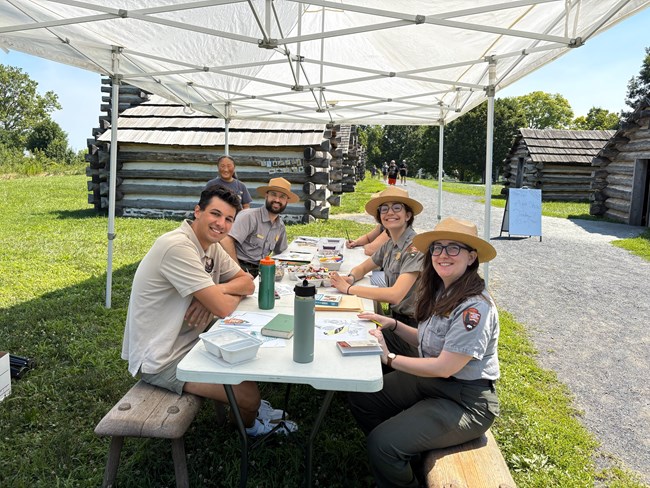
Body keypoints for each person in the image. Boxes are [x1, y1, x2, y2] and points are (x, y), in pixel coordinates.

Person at [121, 186, 297, 436]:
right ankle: (250, 428)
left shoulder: (210, 246)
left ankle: (254, 410)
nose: (221, 224)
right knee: (249, 396)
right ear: (197, 211)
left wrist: (213, 292)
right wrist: (216, 297)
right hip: (162, 358)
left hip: (191, 341)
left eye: (228, 219)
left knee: (252, 356)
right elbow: (224, 308)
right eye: (215, 214)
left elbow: (247, 281)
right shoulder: (177, 247)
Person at [348, 217, 500, 488]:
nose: (443, 254)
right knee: (363, 397)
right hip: (436, 382)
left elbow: (445, 366)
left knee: (382, 444)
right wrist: (392, 324)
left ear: (471, 257)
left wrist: (390, 358)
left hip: (465, 399)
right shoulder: (443, 289)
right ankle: (402, 458)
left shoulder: (475, 307)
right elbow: (428, 339)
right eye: (437, 248)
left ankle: (394, 459)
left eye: (454, 248)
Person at [330, 187, 424, 357]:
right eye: (384, 208)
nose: (390, 213)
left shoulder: (414, 248)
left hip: (414, 331)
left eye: (397, 208)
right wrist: (351, 278)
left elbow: (396, 295)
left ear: (408, 215)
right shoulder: (390, 244)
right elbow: (364, 267)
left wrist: (349, 289)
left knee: (352, 332)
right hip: (397, 319)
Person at [220, 177, 298, 277]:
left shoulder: (280, 226)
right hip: (238, 267)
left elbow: (281, 253)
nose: (277, 200)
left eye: (282, 196)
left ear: (287, 201)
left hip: (261, 270)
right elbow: (226, 240)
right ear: (266, 195)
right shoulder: (249, 216)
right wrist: (238, 272)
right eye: (273, 194)